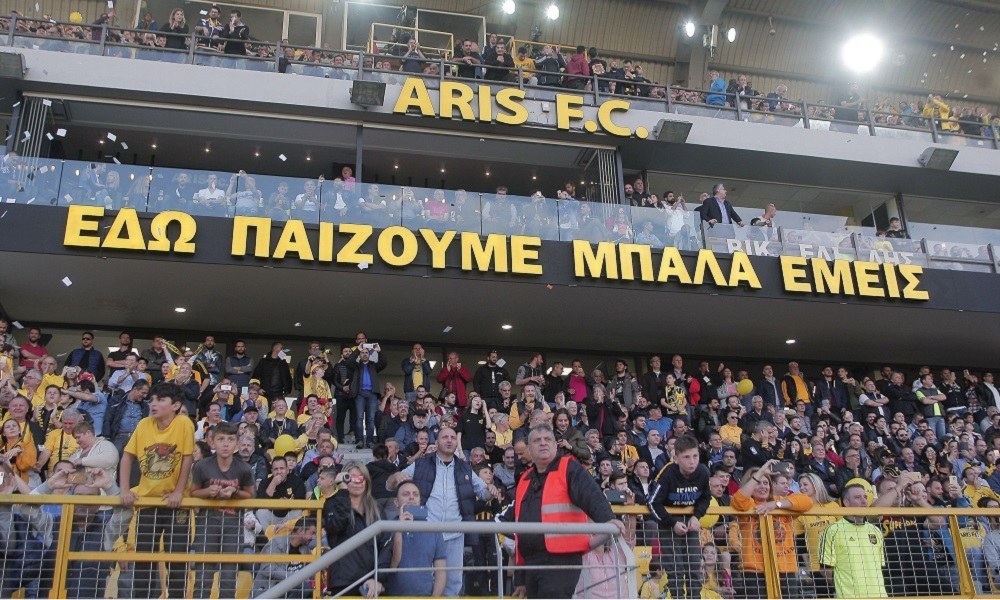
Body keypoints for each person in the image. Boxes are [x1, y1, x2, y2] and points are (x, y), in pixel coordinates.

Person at [496, 424, 624, 598]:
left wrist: (608, 519)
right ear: (529, 449)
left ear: (555, 445)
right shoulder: (525, 479)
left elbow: (591, 495)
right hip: (531, 562)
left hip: (562, 558)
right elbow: (520, 526)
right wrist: (521, 578)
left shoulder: (569, 468)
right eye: (537, 440)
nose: (543, 443)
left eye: (547, 439)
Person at [387, 427, 496, 596]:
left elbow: (483, 493)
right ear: (436, 442)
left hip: (455, 534)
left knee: (453, 583)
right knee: (425, 581)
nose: (450, 440)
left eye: (453, 437)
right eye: (445, 437)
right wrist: (396, 477)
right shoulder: (421, 464)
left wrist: (491, 490)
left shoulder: (465, 468)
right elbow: (390, 485)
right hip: (426, 533)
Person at [119, 382, 195, 599]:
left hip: (176, 504)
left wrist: (178, 491)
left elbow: (187, 458)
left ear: (176, 405)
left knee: (177, 559)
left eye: (160, 400)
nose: (153, 404)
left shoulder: (184, 423)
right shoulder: (143, 424)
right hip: (147, 501)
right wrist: (124, 489)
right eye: (151, 399)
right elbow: (127, 457)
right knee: (144, 558)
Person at [189, 421, 255, 600]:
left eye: (230, 439)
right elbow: (193, 492)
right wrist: (207, 492)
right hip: (207, 522)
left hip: (233, 524)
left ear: (237, 443)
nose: (226, 444)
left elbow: (251, 496)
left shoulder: (244, 468)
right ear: (212, 442)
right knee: (204, 574)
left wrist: (235, 492)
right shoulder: (202, 466)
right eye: (221, 439)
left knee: (228, 576)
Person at [646, 434, 711, 598]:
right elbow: (653, 502)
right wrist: (672, 523)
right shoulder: (667, 474)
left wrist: (697, 516)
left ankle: (695, 597)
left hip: (690, 521)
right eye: (686, 457)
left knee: (694, 565)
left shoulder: (703, 472)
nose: (692, 461)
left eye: (695, 456)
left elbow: (706, 498)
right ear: (676, 458)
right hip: (668, 523)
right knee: (675, 568)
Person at [323, 462, 390, 597]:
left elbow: (385, 547)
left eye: (361, 478)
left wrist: (378, 578)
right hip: (343, 582)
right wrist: (342, 492)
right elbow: (335, 526)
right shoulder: (332, 504)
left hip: (372, 583)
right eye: (351, 477)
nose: (357, 482)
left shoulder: (377, 509)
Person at [819, 482, 887, 598]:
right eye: (857, 497)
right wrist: (843, 589)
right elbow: (825, 568)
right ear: (846, 502)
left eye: (865, 497)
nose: (864, 501)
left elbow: (879, 567)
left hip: (879, 596)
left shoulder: (875, 531)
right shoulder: (833, 531)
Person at [388, 480, 447, 596]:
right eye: (406, 494)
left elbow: (441, 572)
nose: (411, 498)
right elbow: (391, 567)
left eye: (415, 495)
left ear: (420, 500)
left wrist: (434, 598)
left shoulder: (433, 530)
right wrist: (399, 528)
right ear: (396, 502)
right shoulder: (385, 528)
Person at [251, 519, 318, 598]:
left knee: (310, 589)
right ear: (301, 531)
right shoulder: (276, 544)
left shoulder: (305, 550)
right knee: (305, 586)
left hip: (291, 589)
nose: (314, 537)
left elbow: (311, 573)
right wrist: (293, 577)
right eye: (312, 533)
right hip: (268, 589)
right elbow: (267, 568)